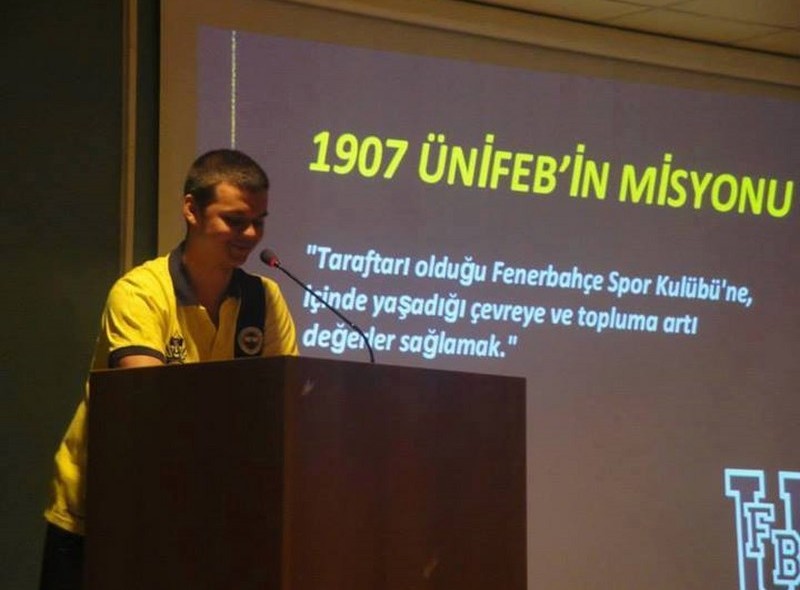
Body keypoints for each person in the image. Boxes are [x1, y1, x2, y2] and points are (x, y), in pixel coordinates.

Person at [39, 149, 299, 589]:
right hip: (103, 511)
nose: (251, 234)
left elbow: (283, 410)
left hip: (203, 515)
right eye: (235, 221)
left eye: (259, 221)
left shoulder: (265, 300)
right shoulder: (140, 292)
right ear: (191, 210)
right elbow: (150, 407)